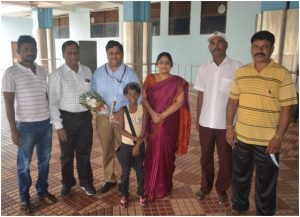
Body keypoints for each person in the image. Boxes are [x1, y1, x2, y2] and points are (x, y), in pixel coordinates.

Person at [226, 30, 297, 215]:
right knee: (240, 176)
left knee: (266, 180)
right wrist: (229, 127)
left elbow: (287, 109)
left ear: (272, 49)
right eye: (256, 46)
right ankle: (239, 207)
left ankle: (264, 213)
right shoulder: (242, 72)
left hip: (268, 142)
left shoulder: (282, 74)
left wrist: (278, 137)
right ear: (251, 48)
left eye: (265, 46)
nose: (260, 50)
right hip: (241, 138)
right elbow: (233, 101)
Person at [2, 35, 57, 214]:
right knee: (24, 165)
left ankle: (42, 191)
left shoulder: (42, 71)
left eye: (33, 49)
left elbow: (46, 96)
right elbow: (8, 103)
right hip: (25, 127)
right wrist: (13, 131)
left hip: (45, 124)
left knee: (44, 162)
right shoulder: (10, 73)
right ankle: (23, 197)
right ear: (18, 51)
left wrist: (53, 120)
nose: (30, 52)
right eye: (25, 49)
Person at [193, 31, 242, 205]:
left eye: (219, 42)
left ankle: (222, 189)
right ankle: (205, 187)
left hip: (226, 125)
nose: (216, 45)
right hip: (206, 122)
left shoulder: (237, 67)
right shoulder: (203, 68)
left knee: (226, 159)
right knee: (205, 157)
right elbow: (200, 94)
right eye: (212, 43)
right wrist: (198, 118)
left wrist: (236, 124)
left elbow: (239, 98)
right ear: (209, 47)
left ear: (226, 45)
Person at [92, 40, 141, 194]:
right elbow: (93, 95)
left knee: (124, 150)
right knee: (107, 149)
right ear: (107, 54)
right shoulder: (99, 73)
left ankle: (123, 179)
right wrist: (103, 110)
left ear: (122, 54)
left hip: (123, 118)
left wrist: (122, 112)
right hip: (103, 118)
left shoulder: (130, 74)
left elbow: (138, 97)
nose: (114, 56)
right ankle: (109, 179)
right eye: (111, 53)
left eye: (117, 53)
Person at [48, 40, 96, 196]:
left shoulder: (87, 71)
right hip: (66, 120)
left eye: (76, 52)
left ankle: (86, 182)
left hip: (85, 119)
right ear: (63, 55)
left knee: (84, 152)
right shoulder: (56, 75)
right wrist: (59, 126)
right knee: (66, 155)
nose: (73, 55)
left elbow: (91, 97)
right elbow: (53, 102)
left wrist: (103, 111)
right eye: (69, 53)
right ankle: (67, 183)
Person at [143, 52, 191, 200]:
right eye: (161, 62)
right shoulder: (150, 79)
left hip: (169, 122)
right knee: (151, 153)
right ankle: (149, 186)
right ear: (156, 64)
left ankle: (163, 187)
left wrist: (162, 116)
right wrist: (152, 114)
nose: (164, 65)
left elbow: (180, 102)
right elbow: (143, 98)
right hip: (152, 120)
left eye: (167, 62)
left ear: (171, 65)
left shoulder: (177, 82)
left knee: (166, 155)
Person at [116, 82, 147, 208]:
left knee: (140, 171)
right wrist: (135, 140)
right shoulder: (123, 110)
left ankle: (141, 193)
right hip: (126, 146)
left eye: (135, 93)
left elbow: (144, 129)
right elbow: (121, 130)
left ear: (139, 94)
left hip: (139, 146)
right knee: (125, 172)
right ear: (125, 95)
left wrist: (138, 145)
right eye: (129, 94)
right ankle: (124, 194)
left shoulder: (143, 109)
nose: (132, 96)